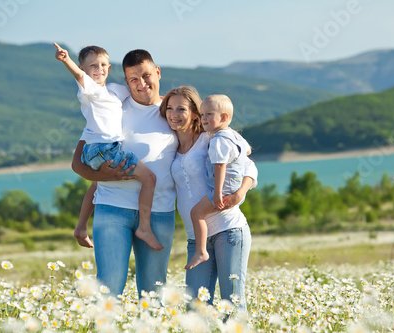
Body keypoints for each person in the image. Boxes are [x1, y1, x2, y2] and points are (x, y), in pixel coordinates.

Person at [71, 49, 178, 297]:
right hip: (112, 209)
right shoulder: (111, 106)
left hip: (159, 212)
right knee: (108, 287)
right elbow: (78, 163)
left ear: (157, 72)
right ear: (126, 82)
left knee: (154, 291)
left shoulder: (174, 112)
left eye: (146, 75)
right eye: (133, 79)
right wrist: (108, 176)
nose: (141, 84)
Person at [53, 43, 162, 251]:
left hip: (101, 148)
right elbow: (78, 76)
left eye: (103, 64)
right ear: (83, 69)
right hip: (103, 148)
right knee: (149, 178)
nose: (99, 69)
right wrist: (66, 60)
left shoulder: (114, 91)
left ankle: (81, 227)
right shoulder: (90, 91)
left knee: (97, 185)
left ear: (110, 68)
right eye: (92, 66)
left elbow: (138, 91)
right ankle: (145, 228)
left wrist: (166, 100)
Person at [159, 86, 257, 312]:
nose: (174, 114)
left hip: (228, 229)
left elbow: (249, 166)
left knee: (231, 302)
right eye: (169, 108)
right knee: (196, 307)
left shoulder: (211, 139)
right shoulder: (169, 147)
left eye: (181, 108)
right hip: (197, 237)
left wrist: (240, 192)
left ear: (194, 112)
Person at [185, 94, 252, 270]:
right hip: (234, 184)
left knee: (196, 214)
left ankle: (201, 251)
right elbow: (247, 151)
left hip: (223, 188)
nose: (203, 119)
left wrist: (217, 194)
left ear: (224, 118)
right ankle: (201, 250)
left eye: (208, 114)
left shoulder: (219, 140)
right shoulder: (232, 135)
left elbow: (220, 167)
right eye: (202, 114)